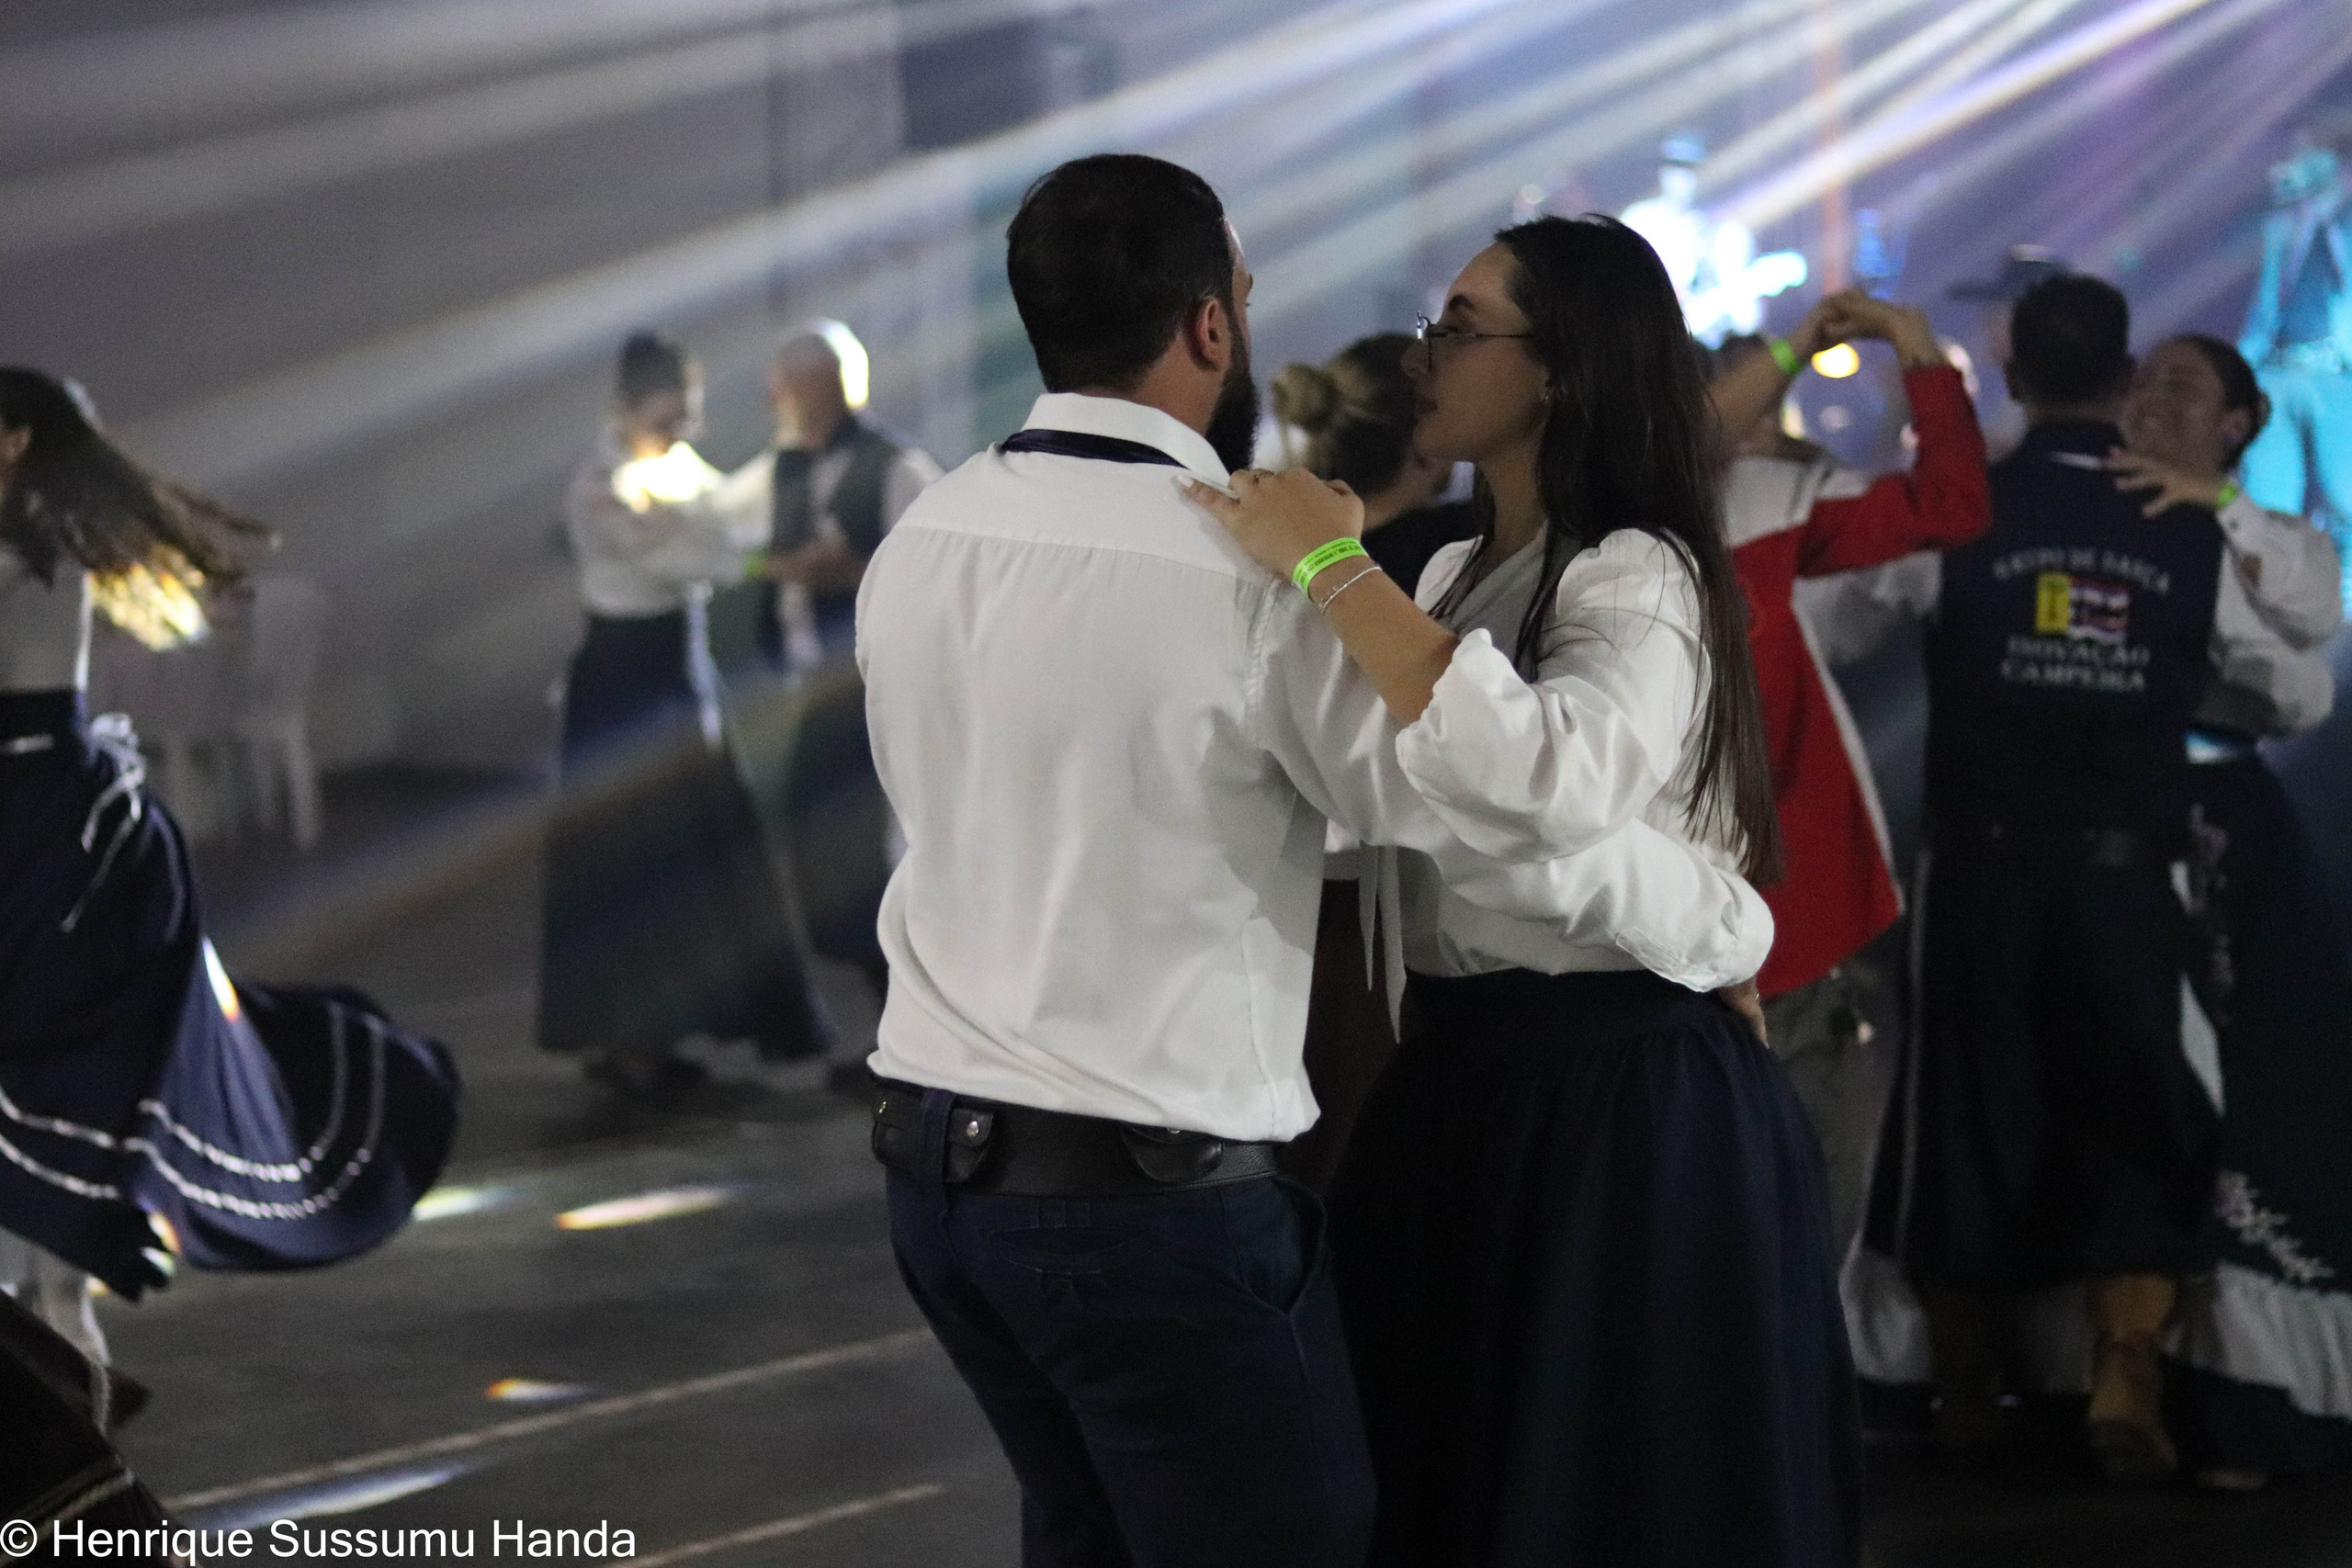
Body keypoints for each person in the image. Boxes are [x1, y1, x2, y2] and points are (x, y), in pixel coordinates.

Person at [858, 158, 1774, 1568]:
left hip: (944, 1169)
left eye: (1458, 327)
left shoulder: (929, 529)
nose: (1425, 351)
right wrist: (1724, 923)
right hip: (1157, 1185)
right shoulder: (1271, 571)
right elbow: (1490, 817)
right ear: (1211, 328)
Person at [1199, 215, 1858, 1568]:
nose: (1429, 352)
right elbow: (1385, 800)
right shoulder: (1454, 572)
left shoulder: (1638, 570)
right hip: (1469, 1073)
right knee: (1450, 1461)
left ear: (1559, 367)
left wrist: (1331, 568)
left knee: (1609, 1487)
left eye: (1461, 324)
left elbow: (1547, 779)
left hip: (1617, 1099)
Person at [1853, 276, 2243, 1483]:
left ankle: (1967, 1385)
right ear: (2125, 376)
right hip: (2132, 871)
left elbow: (1850, 625)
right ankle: (2126, 1371)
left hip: (1982, 867)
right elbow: (2293, 686)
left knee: (1966, 1117)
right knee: (2142, 1112)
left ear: (2011, 372)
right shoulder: (2191, 520)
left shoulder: (1955, 509)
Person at [0, 366, 458, 1334]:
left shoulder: (32, 552)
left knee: (53, 1208)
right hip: (46, 825)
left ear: (12, 442)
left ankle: (64, 1428)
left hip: (48, 835)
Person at [2109, 335, 2351, 1490]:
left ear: (2240, 424)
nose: (2151, 397)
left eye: (2183, 386)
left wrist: (2220, 511)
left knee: (2251, 1086)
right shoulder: (2079, 506)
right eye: (2141, 379)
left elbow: (2307, 662)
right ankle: (2114, 1375)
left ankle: (2234, 1388)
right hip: (2101, 823)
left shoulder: (2265, 534)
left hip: (2225, 835)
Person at [1707, 293, 1991, 1257]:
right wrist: (1911, 352)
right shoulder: (1759, 508)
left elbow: (1949, 509)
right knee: (1792, 1240)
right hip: (1768, 924)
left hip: (1727, 926)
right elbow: (1952, 505)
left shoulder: (1758, 507)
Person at [537, 332, 831, 1094]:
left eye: (688, 418)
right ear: (627, 410)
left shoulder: (671, 467)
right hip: (622, 683)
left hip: (677, 672)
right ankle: (629, 1037)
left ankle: (667, 1030)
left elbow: (723, 518)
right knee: (630, 860)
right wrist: (765, 562)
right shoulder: (596, 486)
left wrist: (789, 462)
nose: (682, 434)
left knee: (696, 855)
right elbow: (680, 558)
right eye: (669, 419)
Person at [1268, 333, 1478, 1189]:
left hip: (1278, 906)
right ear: (1425, 441)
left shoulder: (1267, 551)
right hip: (1409, 925)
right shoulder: (1459, 557)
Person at [707, 324, 942, 1084]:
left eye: (800, 384)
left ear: (840, 385)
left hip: (882, 685)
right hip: (817, 688)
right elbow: (718, 530)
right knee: (822, 857)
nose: (787, 400)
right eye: (783, 386)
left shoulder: (897, 466)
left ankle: (914, 1037)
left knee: (882, 858)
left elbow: (943, 565)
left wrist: (862, 571)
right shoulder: (777, 469)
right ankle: (893, 1030)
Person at [2238, 130, 2350, 605]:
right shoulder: (2280, 226)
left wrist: (2332, 222)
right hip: (2275, 371)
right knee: (2270, 498)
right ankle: (2271, 603)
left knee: (2345, 496)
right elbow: (2263, 300)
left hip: (2335, 373)